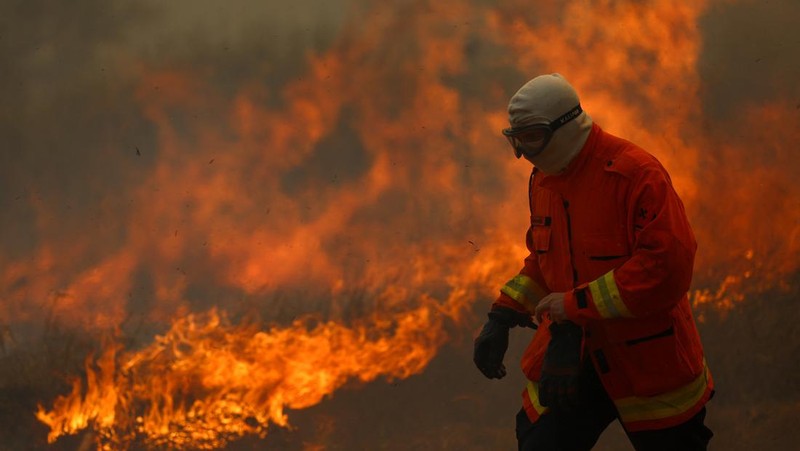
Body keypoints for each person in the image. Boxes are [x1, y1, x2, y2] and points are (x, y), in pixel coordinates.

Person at [473, 74, 714, 450]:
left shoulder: (636, 175)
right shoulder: (543, 181)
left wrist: (573, 307)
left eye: (532, 136)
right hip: (571, 361)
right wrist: (502, 314)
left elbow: (666, 269)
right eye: (515, 140)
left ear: (567, 126)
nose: (523, 152)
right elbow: (543, 259)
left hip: (648, 366)